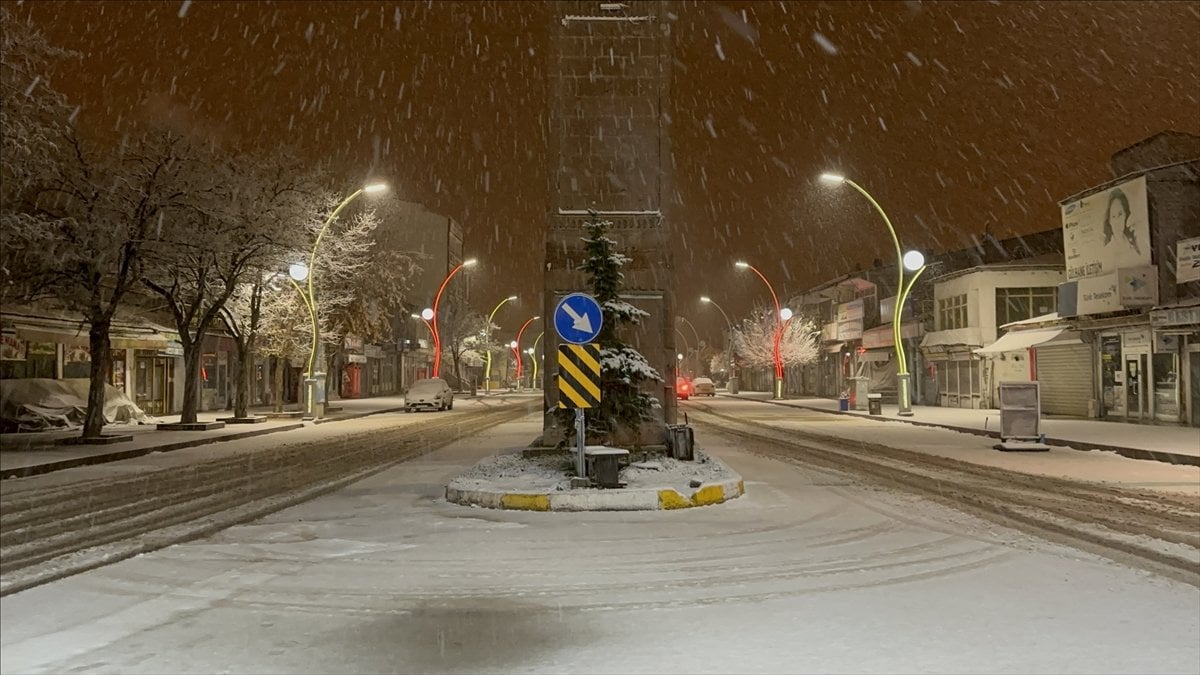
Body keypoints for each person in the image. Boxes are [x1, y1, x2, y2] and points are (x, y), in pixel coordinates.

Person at [1103, 187, 1142, 256]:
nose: (1117, 221)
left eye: (1120, 214)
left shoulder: (1133, 247)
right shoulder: (1106, 253)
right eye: (1113, 216)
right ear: (1110, 221)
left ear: (1125, 215)